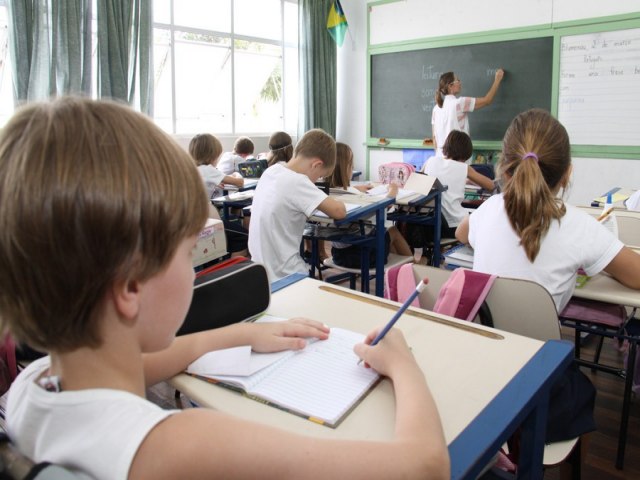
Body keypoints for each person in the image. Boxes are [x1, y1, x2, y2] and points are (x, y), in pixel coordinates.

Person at [0, 97, 449, 480]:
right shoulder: (178, 444)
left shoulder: (31, 386)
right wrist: (404, 365)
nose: (196, 262)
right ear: (131, 287)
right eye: (187, 247)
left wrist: (241, 334)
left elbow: (145, 363)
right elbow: (425, 467)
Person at [456, 108, 640, 313]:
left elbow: (460, 233)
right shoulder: (579, 226)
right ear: (567, 174)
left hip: (487, 341)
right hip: (542, 346)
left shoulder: (489, 209)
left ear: (506, 170)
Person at [249, 129, 350, 281]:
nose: (317, 181)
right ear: (316, 164)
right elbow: (339, 211)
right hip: (285, 274)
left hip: (259, 272)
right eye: (320, 176)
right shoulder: (297, 181)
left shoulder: (271, 171)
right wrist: (340, 201)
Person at [326, 142, 413, 268]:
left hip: (338, 255)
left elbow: (344, 191)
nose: (353, 167)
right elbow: (385, 206)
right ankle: (414, 267)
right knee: (392, 231)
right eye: (351, 164)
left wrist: (356, 188)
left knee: (385, 237)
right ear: (345, 168)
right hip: (360, 256)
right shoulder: (353, 194)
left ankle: (398, 273)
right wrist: (393, 190)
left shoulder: (326, 193)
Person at [424, 130, 495, 238]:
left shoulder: (430, 161)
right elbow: (491, 186)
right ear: (466, 152)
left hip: (429, 223)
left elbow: (420, 179)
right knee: (484, 220)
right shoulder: (464, 168)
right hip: (454, 225)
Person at [431, 69, 504, 157]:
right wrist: (497, 80)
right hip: (458, 159)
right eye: (457, 80)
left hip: (440, 158)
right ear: (450, 86)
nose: (460, 82)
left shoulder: (436, 109)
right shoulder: (460, 103)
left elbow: (434, 139)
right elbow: (487, 100)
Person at [189, 133, 244, 199]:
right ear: (212, 156)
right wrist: (236, 174)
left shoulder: (191, 169)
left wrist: (215, 183)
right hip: (204, 208)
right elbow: (240, 182)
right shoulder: (208, 170)